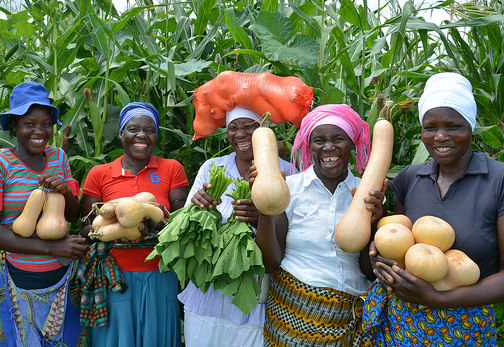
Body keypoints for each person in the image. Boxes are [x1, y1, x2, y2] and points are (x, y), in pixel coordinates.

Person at [363, 72, 503, 346]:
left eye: (453, 126)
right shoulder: (409, 178)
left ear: (471, 126)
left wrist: (438, 299)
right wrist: (379, 256)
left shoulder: (498, 180)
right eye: (430, 127)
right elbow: (401, 250)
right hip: (401, 325)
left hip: (464, 327)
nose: (440, 136)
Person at [254, 104, 384, 347]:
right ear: (308, 145)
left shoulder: (369, 193)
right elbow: (270, 262)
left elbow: (369, 271)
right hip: (292, 313)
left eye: (338, 139)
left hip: (349, 316)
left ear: (352, 144)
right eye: (319, 140)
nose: (328, 147)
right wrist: (264, 208)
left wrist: (374, 224)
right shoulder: (289, 189)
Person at [0, 82, 88, 346]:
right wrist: (52, 248)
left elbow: (72, 216)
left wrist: (66, 192)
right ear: (14, 125)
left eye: (46, 124)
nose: (40, 131)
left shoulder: (59, 156)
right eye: (29, 124)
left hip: (62, 277)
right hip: (19, 276)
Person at [177, 106, 296, 347]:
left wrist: (262, 216)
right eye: (233, 128)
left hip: (255, 296)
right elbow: (184, 232)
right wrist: (198, 209)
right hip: (208, 293)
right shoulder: (212, 168)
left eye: (249, 127)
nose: (240, 134)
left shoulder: (288, 173)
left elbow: (286, 245)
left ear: (262, 131)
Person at [80, 101, 189, 347]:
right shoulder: (100, 174)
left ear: (156, 135)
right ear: (121, 134)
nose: (142, 135)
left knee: (157, 339)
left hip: (160, 273)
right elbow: (85, 229)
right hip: (114, 277)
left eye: (150, 130)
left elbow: (182, 220)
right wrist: (111, 230)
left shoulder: (172, 169)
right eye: (133, 129)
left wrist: (151, 224)